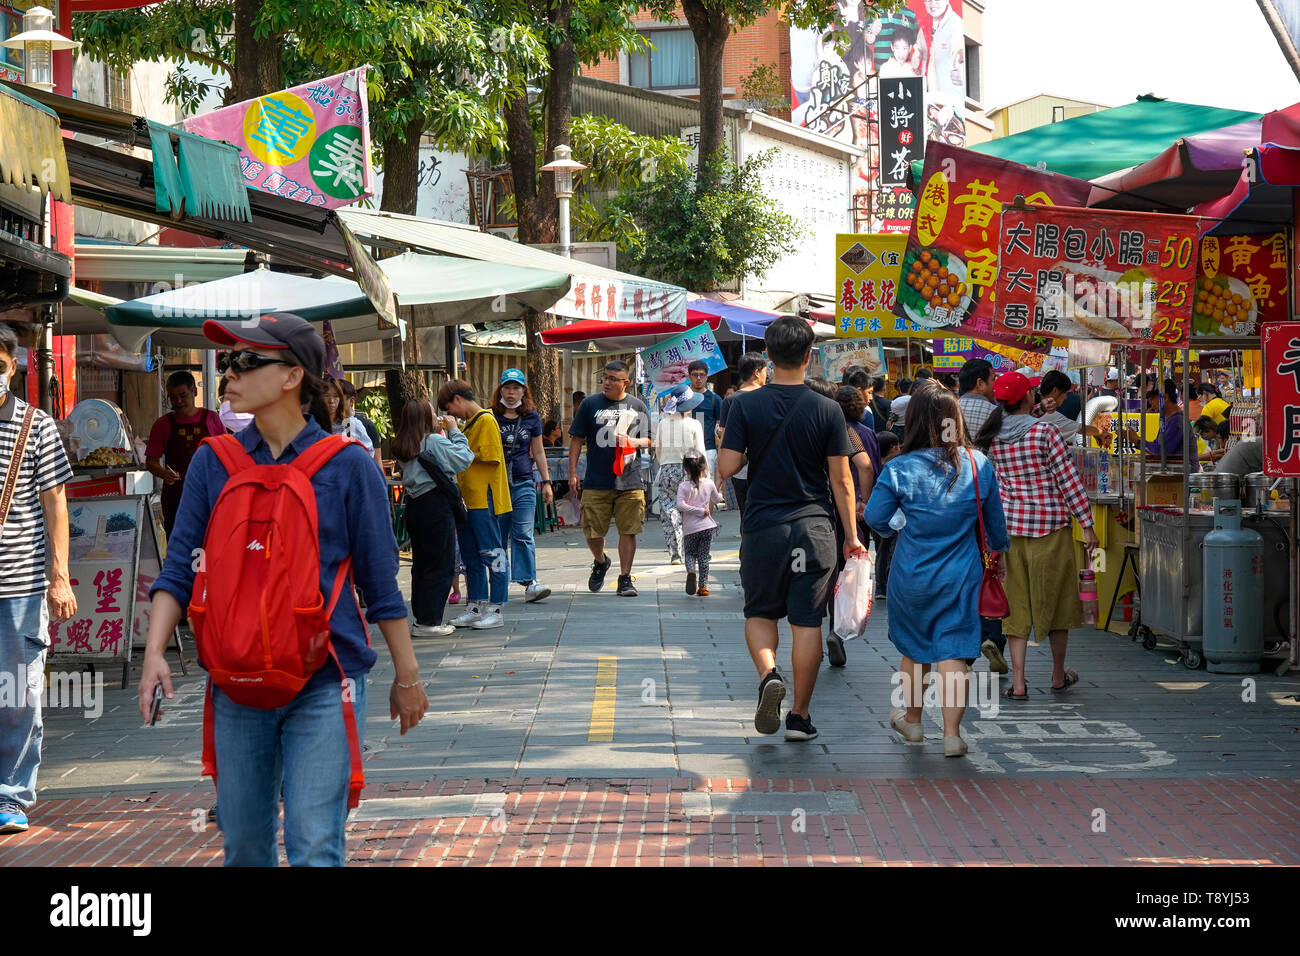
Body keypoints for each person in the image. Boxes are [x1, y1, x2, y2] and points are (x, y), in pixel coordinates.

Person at [138, 312, 426, 865]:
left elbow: (380, 587)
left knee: (313, 844)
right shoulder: (211, 463)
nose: (229, 374)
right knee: (245, 846)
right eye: (227, 363)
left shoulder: (349, 467)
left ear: (293, 376)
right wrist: (154, 653)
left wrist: (408, 677)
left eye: (245, 361)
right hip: (236, 679)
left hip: (326, 678)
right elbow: (179, 568)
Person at [718, 317, 861, 743]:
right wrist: (852, 536)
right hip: (815, 529)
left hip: (764, 527)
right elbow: (843, 480)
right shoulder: (829, 408)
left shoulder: (743, 405)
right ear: (809, 354)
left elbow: (727, 468)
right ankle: (799, 717)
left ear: (767, 355)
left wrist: (740, 447)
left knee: (760, 613)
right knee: (806, 623)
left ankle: (768, 676)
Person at [866, 381, 1008, 757]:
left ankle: (913, 722)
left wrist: (902, 522)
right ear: (955, 420)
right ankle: (952, 734)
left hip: (912, 573)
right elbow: (995, 524)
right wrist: (1001, 556)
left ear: (912, 421)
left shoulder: (899, 468)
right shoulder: (978, 465)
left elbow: (876, 519)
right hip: (962, 575)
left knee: (915, 650)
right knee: (954, 651)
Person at [974, 371, 1099, 702]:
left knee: (1014, 608)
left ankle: (1018, 682)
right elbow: (1068, 481)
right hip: (1050, 530)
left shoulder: (994, 436)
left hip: (1010, 533)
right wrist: (1086, 524)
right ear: (1027, 397)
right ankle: (1058, 675)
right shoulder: (1046, 433)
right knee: (1057, 602)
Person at [0, 325, 76, 834]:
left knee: (17, 694)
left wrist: (61, 577)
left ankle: (11, 796)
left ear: (10, 364)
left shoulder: (36, 425)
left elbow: (56, 505)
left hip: (21, 586)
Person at [569, 360, 652, 598]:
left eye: (613, 379)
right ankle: (601, 560)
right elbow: (576, 439)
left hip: (630, 480)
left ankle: (625, 578)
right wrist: (573, 473)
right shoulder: (590, 404)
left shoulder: (637, 405)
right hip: (596, 479)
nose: (606, 382)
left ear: (625, 382)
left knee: (629, 530)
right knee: (592, 531)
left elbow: (650, 439)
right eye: (604, 377)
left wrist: (633, 442)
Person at [436, 380, 513, 629]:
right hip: (468, 500)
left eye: (449, 408)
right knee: (471, 557)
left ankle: (497, 607)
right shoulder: (470, 424)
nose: (451, 415)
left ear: (458, 399)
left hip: (486, 499)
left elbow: (491, 458)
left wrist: (457, 445)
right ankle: (476, 605)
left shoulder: (486, 420)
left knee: (493, 552)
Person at [394, 400, 473, 637]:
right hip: (435, 505)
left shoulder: (403, 443)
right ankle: (430, 622)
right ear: (424, 418)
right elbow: (464, 458)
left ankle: (422, 618)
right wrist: (455, 431)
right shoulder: (433, 440)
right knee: (441, 563)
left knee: (422, 564)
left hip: (415, 505)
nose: (437, 415)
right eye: (432, 412)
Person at [491, 369, 554, 604]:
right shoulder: (490, 416)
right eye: (507, 387)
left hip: (524, 481)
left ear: (523, 391)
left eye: (516, 388)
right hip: (497, 485)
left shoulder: (531, 417)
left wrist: (546, 482)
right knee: (498, 536)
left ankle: (530, 583)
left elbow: (538, 451)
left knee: (524, 533)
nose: (511, 392)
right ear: (500, 389)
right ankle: (498, 584)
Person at [145, 371, 226, 539]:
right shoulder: (162, 425)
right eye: (173, 397)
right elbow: (151, 462)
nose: (178, 401)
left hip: (208, 494)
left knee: (211, 542)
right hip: (176, 497)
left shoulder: (212, 419)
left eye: (183, 395)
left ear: (194, 392)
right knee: (179, 543)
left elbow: (225, 454)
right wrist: (164, 474)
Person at [653, 383, 706, 565]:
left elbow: (658, 450)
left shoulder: (662, 424)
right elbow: (700, 451)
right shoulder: (694, 424)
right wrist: (703, 475)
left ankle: (675, 553)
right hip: (689, 469)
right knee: (691, 511)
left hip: (666, 470)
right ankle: (694, 550)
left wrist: (665, 465)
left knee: (670, 511)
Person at [718, 352, 767, 532]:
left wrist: (720, 473)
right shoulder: (769, 396)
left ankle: (747, 552)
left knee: (745, 513)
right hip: (766, 466)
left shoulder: (730, 400)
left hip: (739, 468)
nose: (766, 375)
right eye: (764, 370)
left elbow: (724, 438)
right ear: (756, 372)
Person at [675, 450, 722, 596]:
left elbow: (680, 505)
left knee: (689, 554)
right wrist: (720, 488)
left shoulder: (683, 486)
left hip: (690, 528)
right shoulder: (709, 483)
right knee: (703, 556)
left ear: (686, 468)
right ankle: (703, 587)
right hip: (707, 527)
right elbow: (718, 498)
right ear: (703, 467)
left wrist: (696, 510)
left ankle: (690, 571)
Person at [1124, 379, 1185, 460]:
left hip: (1183, 471)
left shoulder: (1177, 420)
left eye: (1152, 398)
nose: (1150, 402)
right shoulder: (1167, 418)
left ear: (1165, 397)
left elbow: (1163, 451)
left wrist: (1137, 440)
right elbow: (1157, 445)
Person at [873, 432, 901, 599]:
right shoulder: (894, 467)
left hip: (878, 516)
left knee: (880, 550)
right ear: (893, 448)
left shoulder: (875, 466)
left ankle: (880, 587)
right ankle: (889, 583)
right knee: (892, 549)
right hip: (894, 516)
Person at [687, 360, 723, 478]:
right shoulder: (683, 398)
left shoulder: (715, 399)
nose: (698, 378)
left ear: (707, 377)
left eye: (701, 375)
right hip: (686, 450)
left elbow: (721, 426)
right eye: (695, 375)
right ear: (689, 377)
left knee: (707, 489)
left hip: (708, 450)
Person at [323, 379, 376, 458]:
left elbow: (367, 455)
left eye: (336, 396)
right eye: (326, 395)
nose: (331, 401)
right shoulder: (315, 423)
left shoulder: (349, 424)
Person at [957, 358, 996, 441]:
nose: (996, 384)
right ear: (980, 383)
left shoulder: (947, 409)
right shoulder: (997, 413)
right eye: (993, 379)